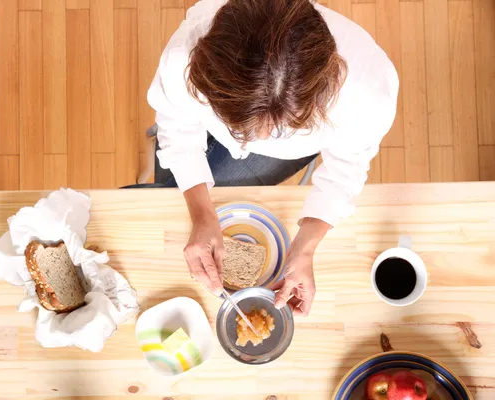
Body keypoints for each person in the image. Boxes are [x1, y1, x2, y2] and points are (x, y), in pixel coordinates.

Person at [146, 0, 399, 315]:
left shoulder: (368, 92)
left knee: (162, 201)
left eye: (281, 127)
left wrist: (304, 249)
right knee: (164, 199)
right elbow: (177, 125)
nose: (257, 139)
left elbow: (345, 170)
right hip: (197, 111)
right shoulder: (183, 55)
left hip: (281, 155)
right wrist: (202, 215)